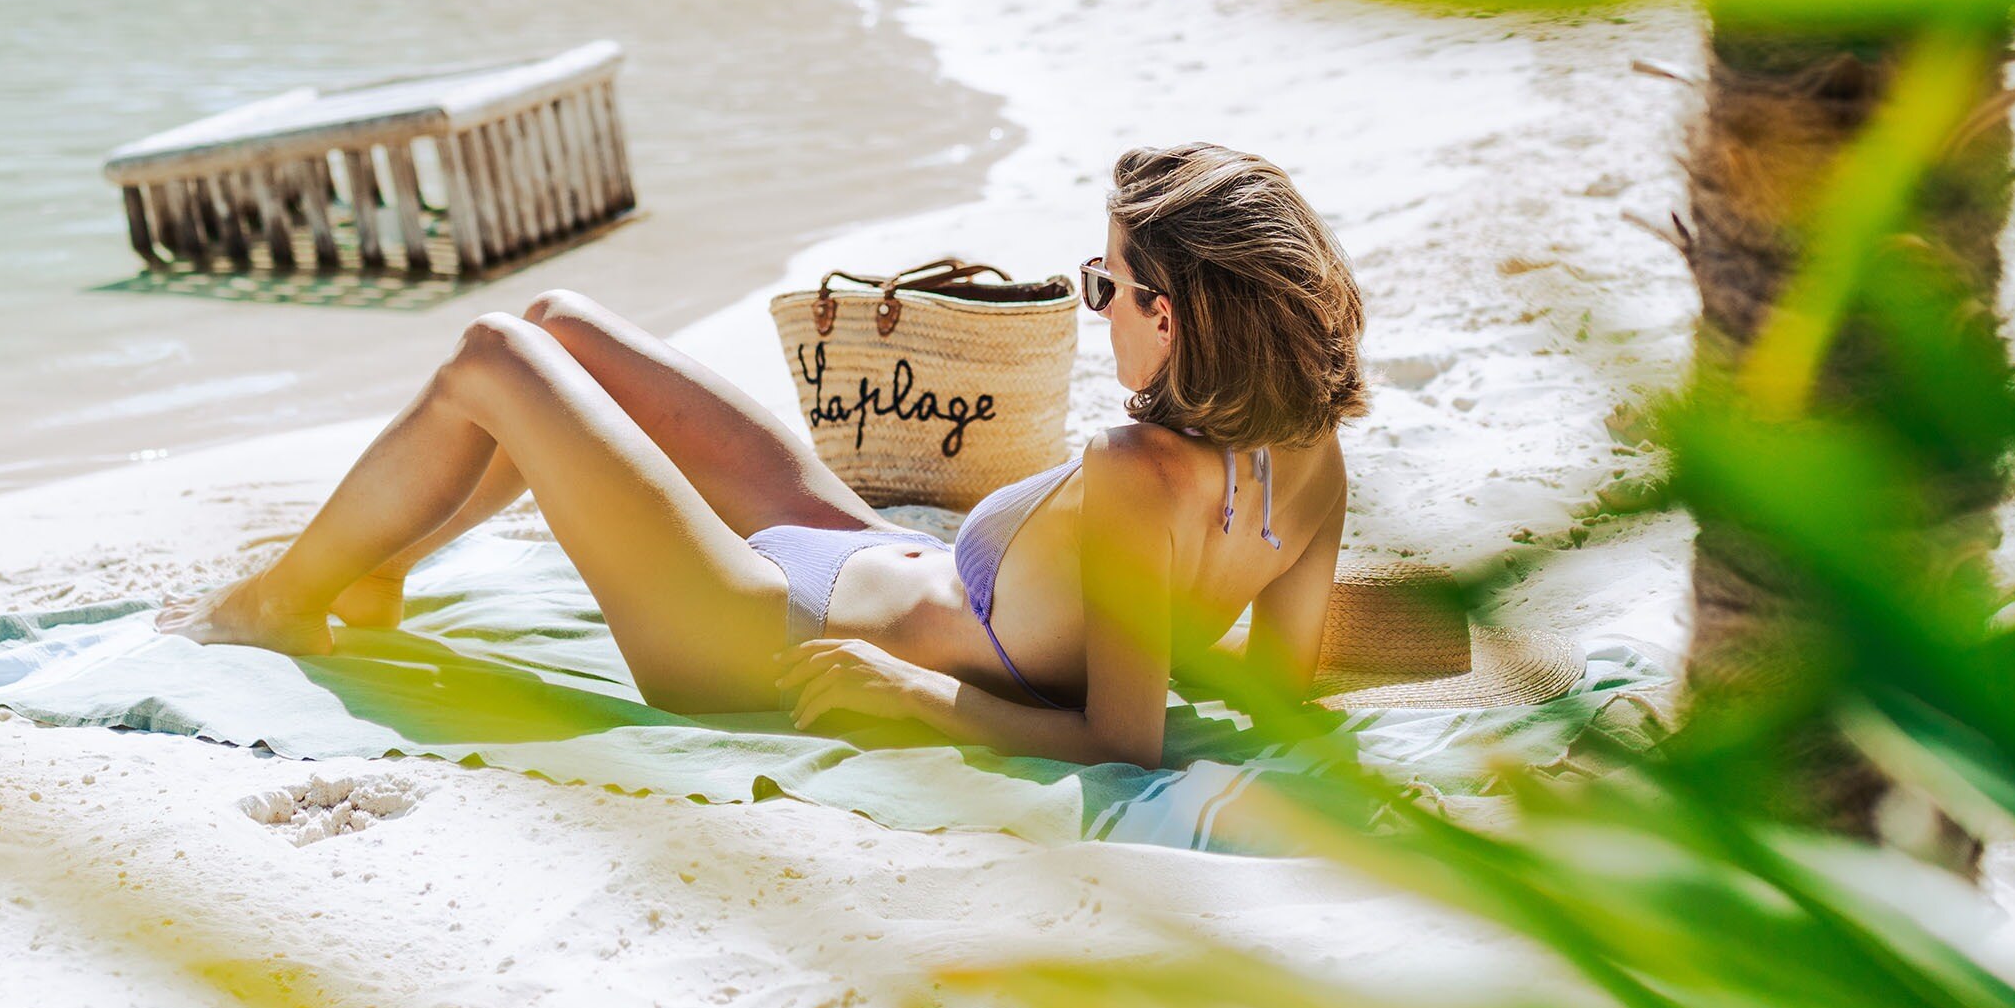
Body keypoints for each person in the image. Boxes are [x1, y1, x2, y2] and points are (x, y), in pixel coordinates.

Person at [166, 145, 1365, 767]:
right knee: (559, 325)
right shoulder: (1311, 465)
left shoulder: (1136, 470)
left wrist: (922, 700)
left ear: (1170, 314)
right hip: (868, 554)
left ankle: (279, 598)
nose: (1094, 305)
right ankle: (378, 565)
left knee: (494, 354)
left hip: (755, 632)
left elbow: (1122, 741)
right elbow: (1279, 688)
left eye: (1106, 284)